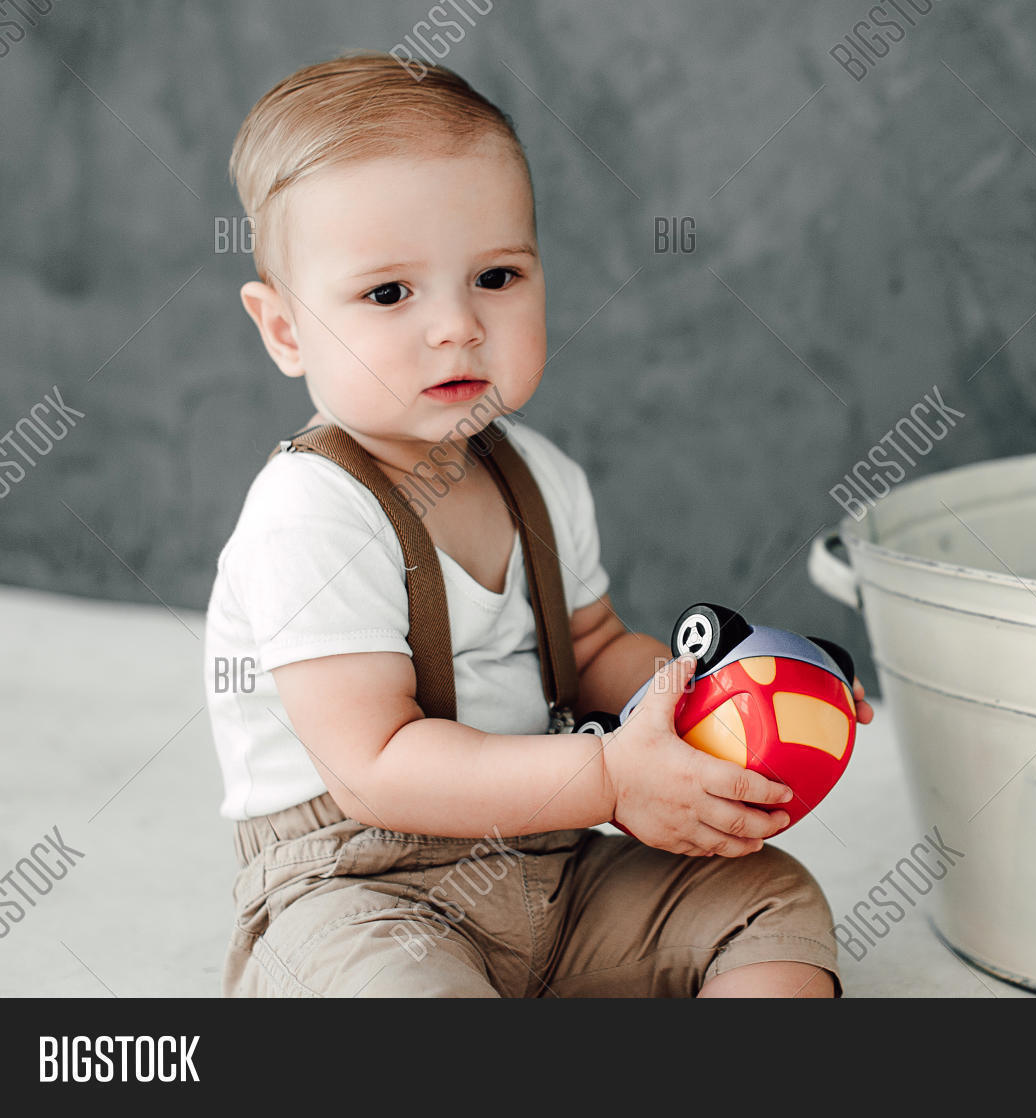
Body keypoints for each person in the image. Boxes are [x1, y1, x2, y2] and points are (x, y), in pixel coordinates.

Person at [204, 51, 874, 997]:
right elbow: (376, 767)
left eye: (496, 276)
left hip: (550, 867)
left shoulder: (540, 478)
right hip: (363, 894)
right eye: (390, 293)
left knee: (769, 899)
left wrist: (735, 692)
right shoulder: (310, 512)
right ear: (285, 331)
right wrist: (607, 778)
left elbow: (592, 648)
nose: (458, 326)